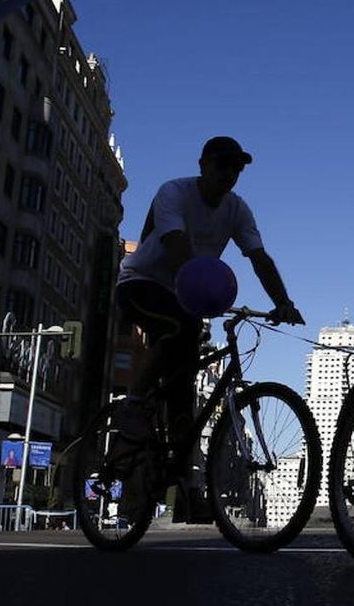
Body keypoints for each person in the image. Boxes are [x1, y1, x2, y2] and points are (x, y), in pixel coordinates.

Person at [114, 136, 304, 519]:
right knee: (174, 330)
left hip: (188, 296)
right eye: (222, 166)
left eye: (236, 168)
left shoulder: (237, 209)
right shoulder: (175, 193)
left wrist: (283, 302)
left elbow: (258, 257)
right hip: (142, 285)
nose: (229, 175)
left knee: (184, 390)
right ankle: (134, 406)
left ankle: (187, 489)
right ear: (203, 165)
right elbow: (175, 243)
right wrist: (204, 289)